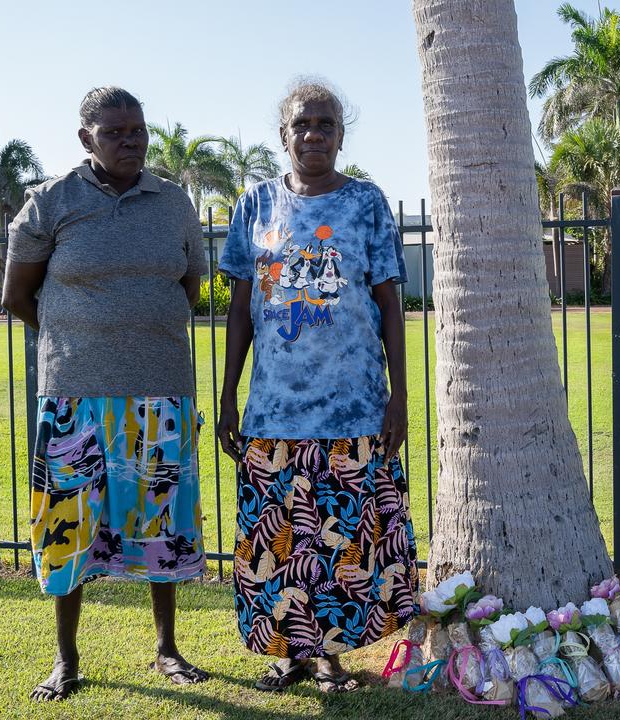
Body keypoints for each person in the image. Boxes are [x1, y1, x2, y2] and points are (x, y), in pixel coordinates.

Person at [2, 86, 210, 702]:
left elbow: (191, 285)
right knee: (67, 528)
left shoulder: (173, 203)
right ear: (85, 137)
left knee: (160, 524)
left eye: (139, 130)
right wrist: (80, 339)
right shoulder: (49, 203)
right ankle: (66, 660)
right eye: (117, 131)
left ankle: (167, 648)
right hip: (74, 396)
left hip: (160, 394)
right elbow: (17, 296)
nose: (132, 141)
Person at [217, 80, 418, 694]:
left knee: (344, 541)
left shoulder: (367, 203)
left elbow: (389, 302)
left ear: (340, 134)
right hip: (275, 409)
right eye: (302, 124)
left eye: (325, 124)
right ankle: (290, 653)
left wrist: (399, 394)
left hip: (353, 405)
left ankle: (330, 656)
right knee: (282, 541)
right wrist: (229, 395)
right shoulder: (255, 204)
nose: (313, 134)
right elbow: (242, 309)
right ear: (284, 135)